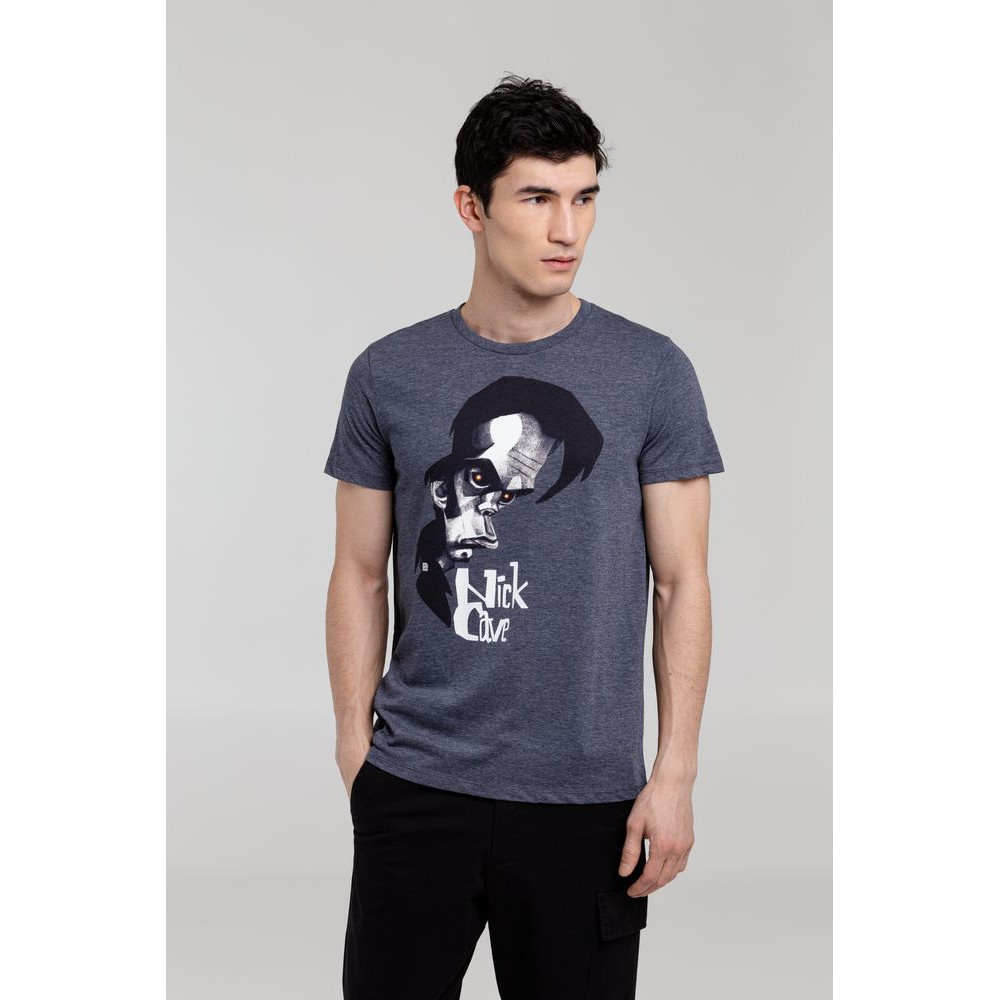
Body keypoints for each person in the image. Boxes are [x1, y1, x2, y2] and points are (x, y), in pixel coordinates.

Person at [323, 73, 725, 1000]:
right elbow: (357, 572)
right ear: (472, 207)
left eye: (585, 198)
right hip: (418, 782)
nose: (567, 230)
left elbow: (683, 583)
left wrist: (675, 773)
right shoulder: (388, 373)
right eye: (537, 198)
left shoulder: (651, 373)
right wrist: (355, 750)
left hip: (587, 798)